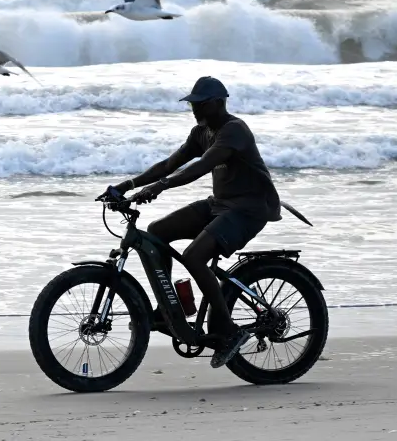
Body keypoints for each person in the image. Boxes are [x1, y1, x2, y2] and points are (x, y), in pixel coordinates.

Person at [108, 76, 281, 368]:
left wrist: (159, 187)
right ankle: (170, 308)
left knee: (194, 257)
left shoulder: (234, 130)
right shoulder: (200, 132)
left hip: (249, 209)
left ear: (218, 103)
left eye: (200, 104)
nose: (194, 109)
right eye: (192, 103)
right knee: (156, 232)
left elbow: (201, 167)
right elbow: (169, 164)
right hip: (220, 205)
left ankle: (229, 330)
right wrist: (126, 185)